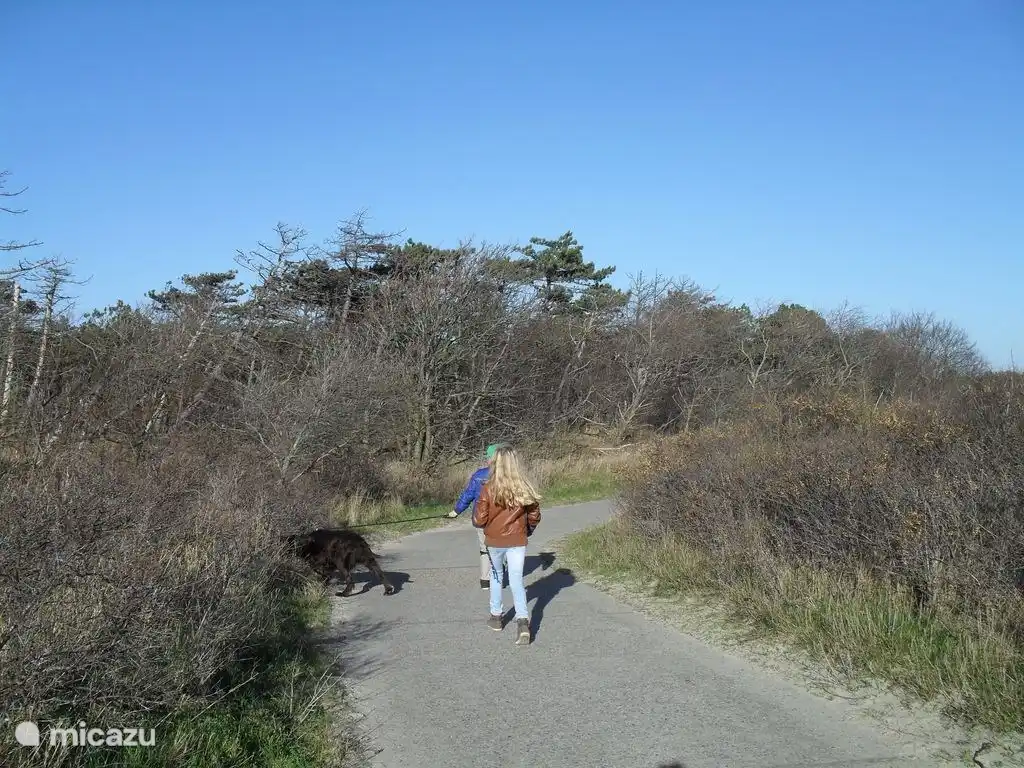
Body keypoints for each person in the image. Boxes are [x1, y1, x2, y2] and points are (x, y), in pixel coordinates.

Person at [471, 445, 541, 646]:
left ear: (496, 463)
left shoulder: (488, 488)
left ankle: (496, 617)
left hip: (495, 540)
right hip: (517, 540)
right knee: (516, 579)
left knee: (496, 575)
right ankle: (523, 622)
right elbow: (535, 515)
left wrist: (486, 520)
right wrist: (527, 529)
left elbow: (479, 519)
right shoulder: (524, 487)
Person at [449, 443, 507, 589]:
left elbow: (468, 495)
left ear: (491, 458)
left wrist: (456, 511)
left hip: (482, 518)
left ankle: (485, 580)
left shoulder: (479, 475)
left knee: (484, 549)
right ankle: (498, 577)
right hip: (502, 519)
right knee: (500, 547)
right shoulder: (509, 476)